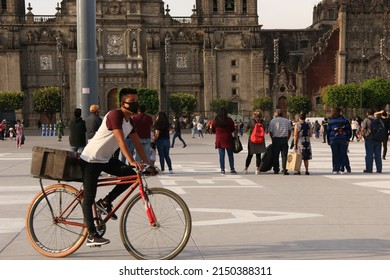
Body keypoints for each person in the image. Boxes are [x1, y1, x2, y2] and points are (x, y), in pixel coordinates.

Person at [79, 87, 152, 246]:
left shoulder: (129, 121)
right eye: (131, 102)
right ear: (122, 103)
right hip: (91, 159)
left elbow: (137, 142)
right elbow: (120, 140)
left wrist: (148, 163)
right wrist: (131, 160)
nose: (135, 104)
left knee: (130, 176)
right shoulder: (115, 115)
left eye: (136, 101)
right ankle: (91, 234)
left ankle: (105, 202)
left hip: (105, 159)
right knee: (89, 196)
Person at [211, 107, 237, 175]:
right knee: (230, 155)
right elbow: (233, 129)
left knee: (221, 155)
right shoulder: (229, 120)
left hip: (219, 139)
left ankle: (222, 169)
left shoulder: (215, 120)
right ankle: (232, 169)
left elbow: (213, 130)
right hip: (228, 138)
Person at [326, 108, 351, 174]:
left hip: (333, 139)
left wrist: (328, 140)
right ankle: (341, 168)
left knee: (335, 154)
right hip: (343, 139)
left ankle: (335, 168)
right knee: (342, 153)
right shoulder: (345, 121)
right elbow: (348, 130)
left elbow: (328, 131)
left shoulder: (331, 121)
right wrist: (348, 138)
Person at [268, 109, 292, 175]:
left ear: (277, 113)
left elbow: (270, 131)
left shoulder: (272, 121)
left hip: (276, 139)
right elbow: (289, 131)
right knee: (284, 155)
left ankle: (276, 169)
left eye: (274, 112)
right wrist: (287, 138)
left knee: (275, 155)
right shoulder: (287, 121)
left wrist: (272, 138)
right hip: (284, 139)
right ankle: (284, 170)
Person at [361, 109, 384, 173]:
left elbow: (362, 129)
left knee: (369, 154)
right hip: (378, 139)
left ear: (367, 113)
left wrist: (364, 136)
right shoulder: (379, 120)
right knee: (378, 155)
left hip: (370, 138)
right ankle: (379, 169)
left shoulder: (366, 120)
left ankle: (369, 169)